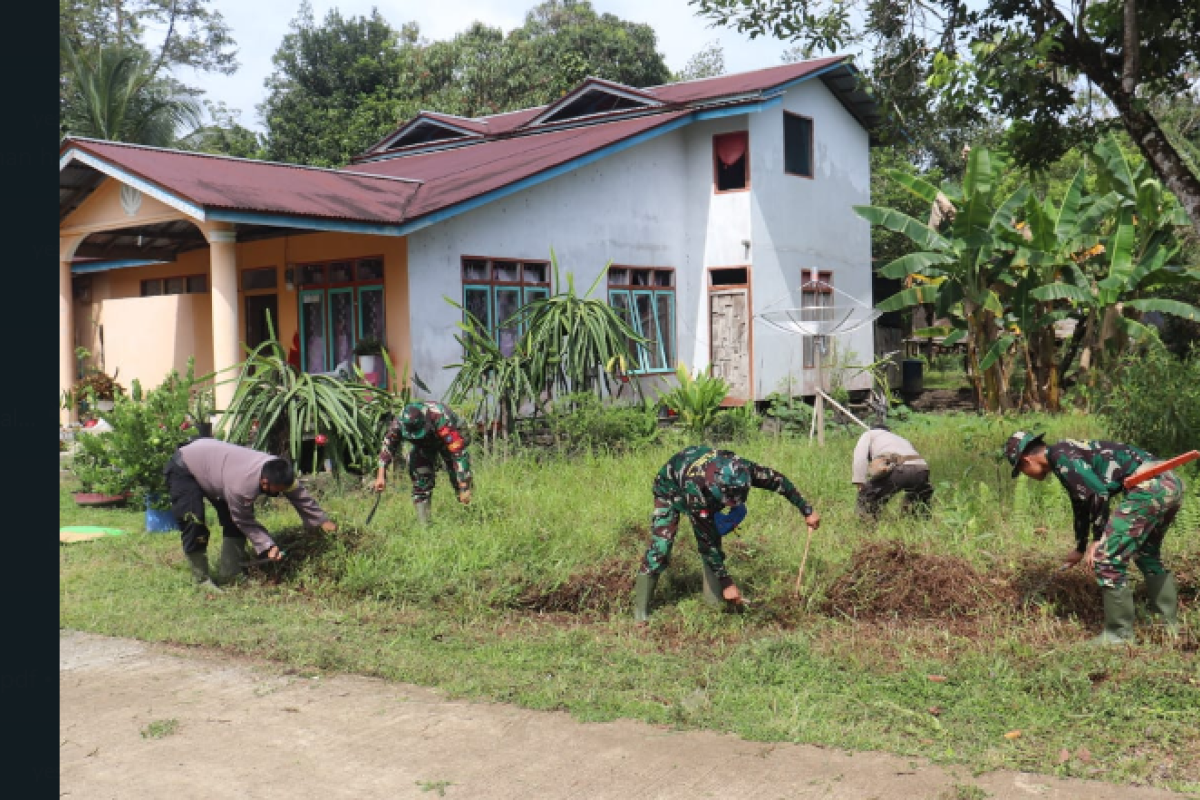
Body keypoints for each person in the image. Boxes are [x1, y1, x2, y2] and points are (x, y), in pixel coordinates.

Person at [1005, 430, 1184, 644]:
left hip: (1150, 486)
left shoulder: (1062, 456)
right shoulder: (1064, 454)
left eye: (1022, 470)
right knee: (1146, 553)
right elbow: (1081, 503)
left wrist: (1098, 540)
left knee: (1107, 558)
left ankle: (1119, 634)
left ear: (1026, 459)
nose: (1026, 475)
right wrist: (1080, 547)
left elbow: (1097, 493)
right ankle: (1167, 624)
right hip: (1168, 483)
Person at [634, 445, 820, 622]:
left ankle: (713, 604)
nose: (730, 504)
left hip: (701, 479)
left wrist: (807, 510)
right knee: (662, 546)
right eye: (727, 499)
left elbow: (777, 480)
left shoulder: (742, 469)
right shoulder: (696, 490)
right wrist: (728, 583)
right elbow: (705, 543)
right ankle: (640, 613)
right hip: (669, 488)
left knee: (714, 536)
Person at [163, 438, 338, 591]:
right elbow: (244, 520)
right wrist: (268, 546)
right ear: (264, 482)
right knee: (194, 522)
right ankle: (201, 580)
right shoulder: (241, 487)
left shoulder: (279, 470)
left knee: (232, 523)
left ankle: (230, 573)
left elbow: (299, 495)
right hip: (186, 466)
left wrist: (321, 521)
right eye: (278, 491)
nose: (281, 494)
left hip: (215, 466)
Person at [374, 400, 473, 525]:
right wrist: (381, 475)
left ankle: (469, 517)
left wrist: (464, 486)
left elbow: (458, 454)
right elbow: (388, 446)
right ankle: (425, 527)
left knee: (458, 478)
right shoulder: (399, 423)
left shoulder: (440, 418)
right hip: (424, 445)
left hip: (446, 441)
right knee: (420, 480)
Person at [851, 424, 932, 519]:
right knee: (919, 499)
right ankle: (917, 521)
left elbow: (859, 458)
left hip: (898, 468)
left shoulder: (869, 434)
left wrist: (860, 482)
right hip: (922, 469)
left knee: (867, 498)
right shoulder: (899, 438)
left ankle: (867, 528)